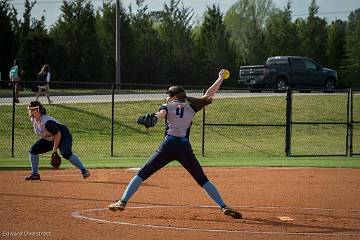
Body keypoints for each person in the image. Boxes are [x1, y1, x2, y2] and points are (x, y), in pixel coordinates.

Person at [108, 69, 242, 219]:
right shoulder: (191, 107)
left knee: (142, 173)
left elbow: (160, 115)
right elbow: (209, 95)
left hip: (167, 146)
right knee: (202, 179)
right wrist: (220, 79)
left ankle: (122, 202)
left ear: (173, 96)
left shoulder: (167, 106)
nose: (166, 97)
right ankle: (223, 206)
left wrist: (154, 117)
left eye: (168, 95)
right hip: (184, 148)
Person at [25, 101, 90, 180]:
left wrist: (54, 151)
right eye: (29, 110)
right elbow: (46, 134)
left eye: (32, 110)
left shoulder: (47, 122)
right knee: (33, 150)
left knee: (66, 153)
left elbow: (58, 134)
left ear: (38, 110)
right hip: (51, 138)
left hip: (63, 136)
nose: (30, 112)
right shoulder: (34, 120)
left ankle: (84, 170)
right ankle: (35, 174)